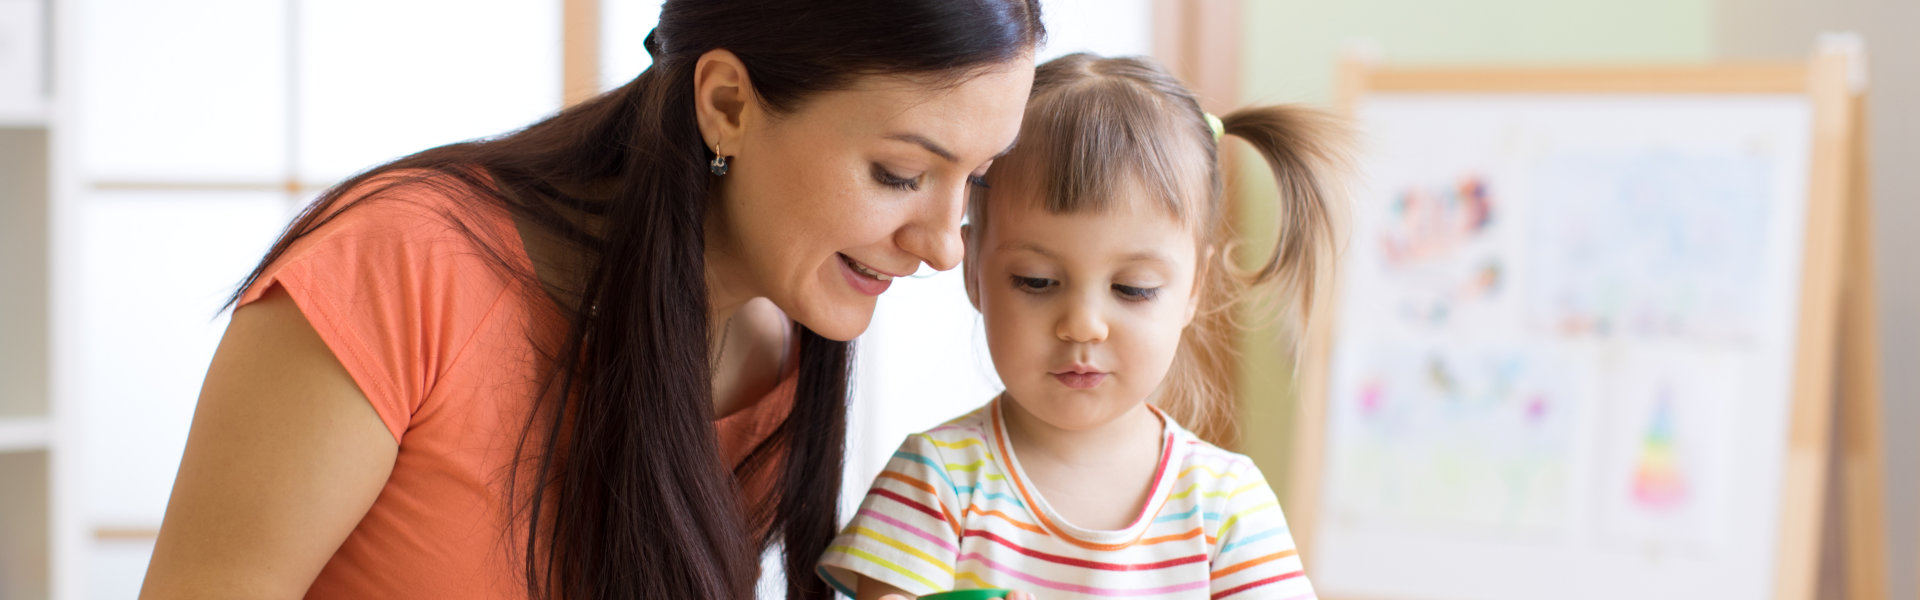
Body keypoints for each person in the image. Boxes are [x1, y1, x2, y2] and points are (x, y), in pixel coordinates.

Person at [138, 2, 1043, 599]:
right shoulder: (401, 270)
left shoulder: (776, 348)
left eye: (978, 178)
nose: (940, 245)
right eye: (900, 173)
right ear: (727, 102)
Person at [816, 53, 1348, 600]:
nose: (1083, 326)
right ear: (973, 269)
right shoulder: (935, 482)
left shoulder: (1228, 504)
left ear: (1194, 288)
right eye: (1037, 281)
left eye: (1133, 288)